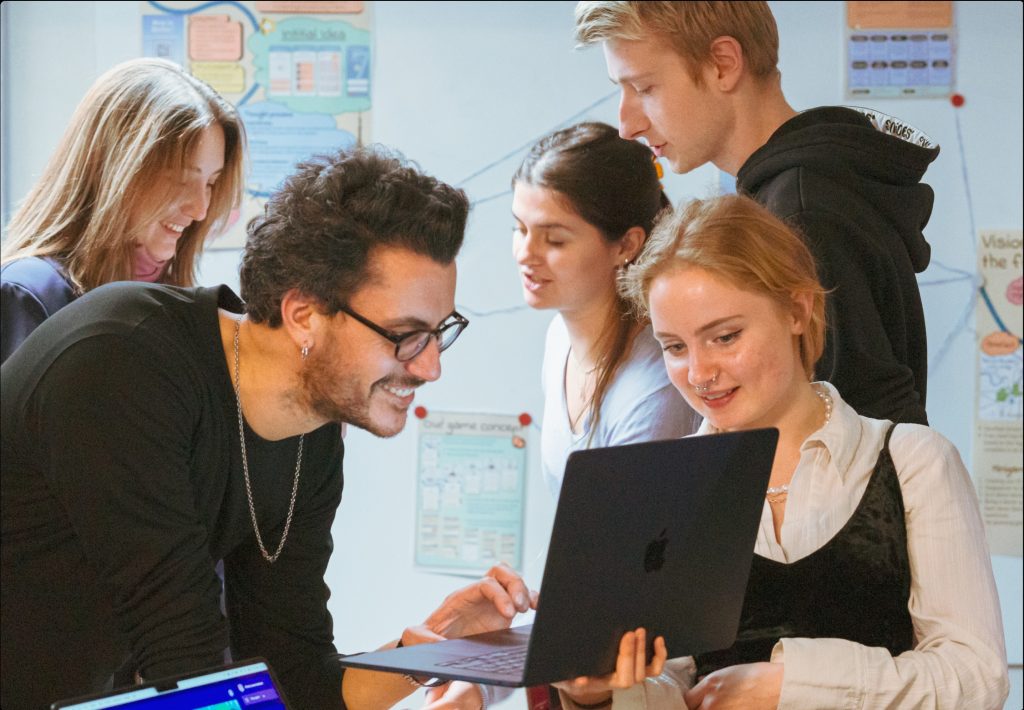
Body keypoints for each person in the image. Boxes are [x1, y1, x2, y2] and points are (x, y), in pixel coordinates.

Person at [1, 145, 537, 710]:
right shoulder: (124, 362)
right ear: (303, 313)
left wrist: (434, 652)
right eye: (405, 335)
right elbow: (193, 672)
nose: (430, 366)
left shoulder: (313, 434)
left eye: (438, 332)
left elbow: (295, 676)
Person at [555, 194, 1008, 709]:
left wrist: (788, 685)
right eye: (675, 347)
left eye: (724, 337)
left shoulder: (913, 462)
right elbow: (673, 686)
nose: (700, 374)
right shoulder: (664, 488)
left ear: (798, 309)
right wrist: (603, 693)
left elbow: (976, 678)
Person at [574, 1, 938, 425]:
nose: (626, 124)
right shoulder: (799, 192)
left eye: (644, 88)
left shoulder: (802, 213)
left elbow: (871, 423)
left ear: (723, 64)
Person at [1, 57, 245, 363]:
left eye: (211, 183)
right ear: (114, 171)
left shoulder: (171, 303)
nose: (200, 208)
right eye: (182, 178)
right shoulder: (29, 294)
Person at [512, 121, 699, 497]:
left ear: (626, 245)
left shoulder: (655, 390)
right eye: (519, 229)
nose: (525, 255)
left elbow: (628, 550)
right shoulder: (559, 337)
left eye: (555, 240)